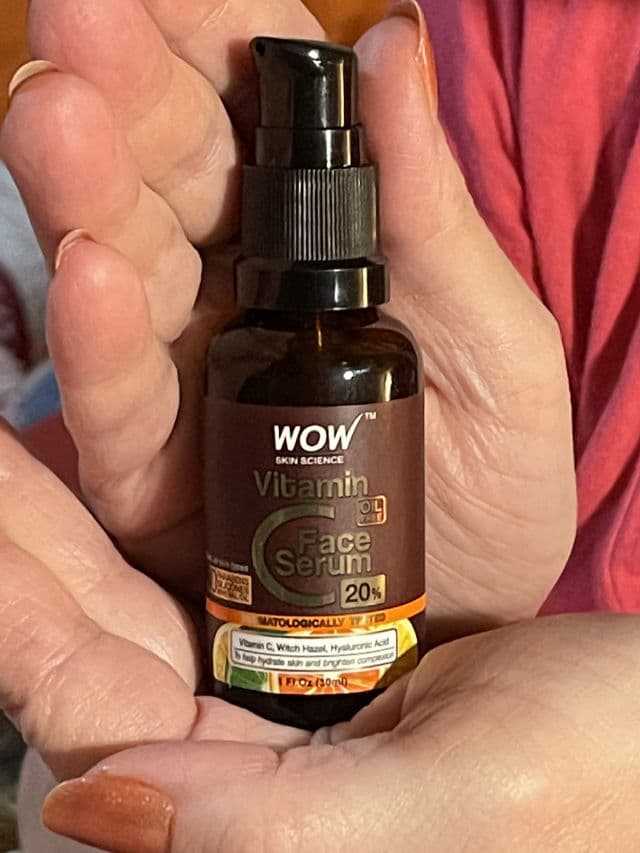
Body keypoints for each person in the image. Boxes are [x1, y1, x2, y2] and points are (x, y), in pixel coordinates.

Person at [0, 0, 639, 850]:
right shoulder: (510, 33)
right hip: (245, 659)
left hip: (426, 660)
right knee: (75, 368)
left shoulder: (384, 359)